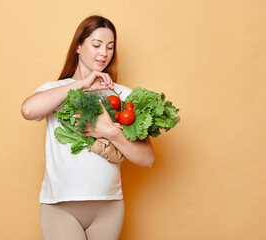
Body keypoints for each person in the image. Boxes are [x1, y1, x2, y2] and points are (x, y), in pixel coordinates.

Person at [21, 15, 155, 240]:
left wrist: (110, 132)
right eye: (96, 45)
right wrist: (81, 84)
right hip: (60, 206)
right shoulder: (55, 89)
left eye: (110, 47)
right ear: (78, 47)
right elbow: (28, 110)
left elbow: (147, 159)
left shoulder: (123, 95)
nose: (104, 53)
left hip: (108, 207)